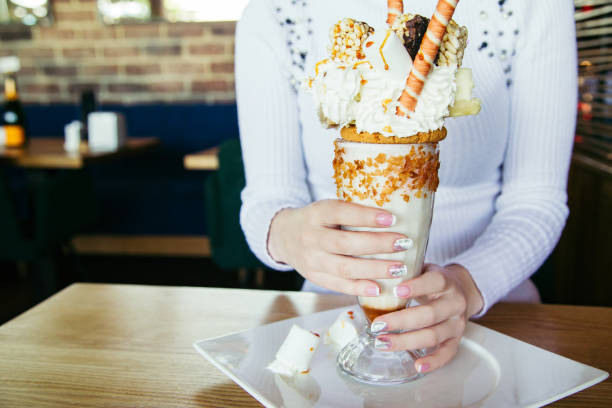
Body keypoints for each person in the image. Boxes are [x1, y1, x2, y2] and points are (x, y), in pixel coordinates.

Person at [235, 0, 577, 373]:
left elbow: (538, 200)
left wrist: (468, 284)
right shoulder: (277, 11)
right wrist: (285, 233)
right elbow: (265, 199)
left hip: (497, 320)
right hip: (334, 326)